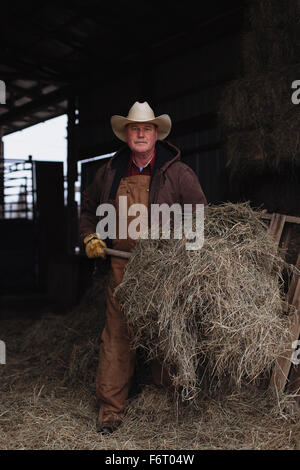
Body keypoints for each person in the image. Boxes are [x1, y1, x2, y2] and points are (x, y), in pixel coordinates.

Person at [79, 101, 207, 434]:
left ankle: (168, 403)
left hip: (164, 268)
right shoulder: (109, 172)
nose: (140, 133)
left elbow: (198, 216)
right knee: (117, 337)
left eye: (146, 128)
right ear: (125, 133)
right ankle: (110, 411)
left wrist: (189, 262)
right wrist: (90, 235)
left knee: (167, 334)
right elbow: (88, 209)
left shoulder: (177, 173)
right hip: (122, 268)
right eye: (134, 128)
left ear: (155, 133)